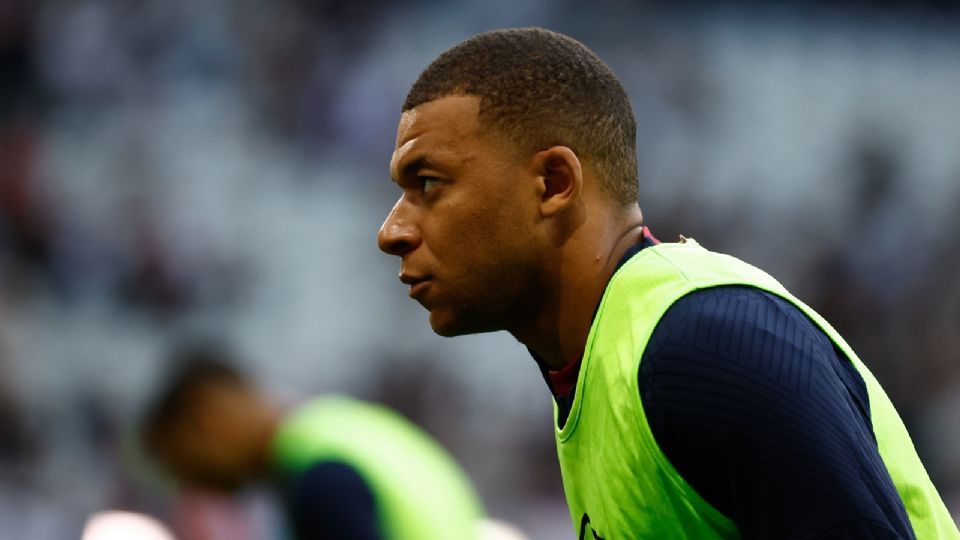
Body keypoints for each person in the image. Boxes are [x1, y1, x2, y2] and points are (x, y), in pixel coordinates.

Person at [376, 27, 960, 539]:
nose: (392, 230)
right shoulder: (605, 365)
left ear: (554, 183)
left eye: (427, 183)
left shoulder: (702, 350)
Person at [140, 343, 485, 540]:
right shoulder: (342, 428)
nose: (198, 486)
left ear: (209, 414)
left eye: (183, 465)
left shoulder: (317, 476)